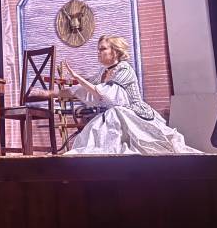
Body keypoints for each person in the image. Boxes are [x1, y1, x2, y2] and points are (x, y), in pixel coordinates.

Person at [45, 35, 201, 155]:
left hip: (133, 113)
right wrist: (50, 93)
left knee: (115, 117)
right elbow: (81, 90)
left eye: (103, 49)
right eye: (98, 49)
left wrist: (77, 77)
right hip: (115, 114)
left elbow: (104, 95)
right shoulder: (103, 72)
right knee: (103, 127)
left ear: (115, 52)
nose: (98, 53)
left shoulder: (124, 69)